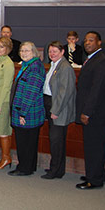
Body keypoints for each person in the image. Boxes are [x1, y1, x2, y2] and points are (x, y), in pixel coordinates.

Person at [75, 31, 105, 189]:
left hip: (95, 113)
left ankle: (94, 180)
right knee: (94, 145)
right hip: (94, 112)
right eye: (85, 41)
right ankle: (96, 174)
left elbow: (96, 91)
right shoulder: (92, 59)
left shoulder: (102, 61)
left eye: (91, 40)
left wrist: (87, 112)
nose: (87, 43)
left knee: (94, 146)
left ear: (99, 43)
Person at [9, 42, 45, 176]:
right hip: (26, 111)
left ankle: (24, 168)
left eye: (27, 51)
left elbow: (31, 93)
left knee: (25, 142)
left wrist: (22, 113)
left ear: (34, 52)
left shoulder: (34, 68)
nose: (24, 53)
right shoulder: (28, 65)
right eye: (22, 51)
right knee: (29, 141)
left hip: (28, 113)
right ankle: (29, 166)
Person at [41, 41, 76, 180]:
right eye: (50, 51)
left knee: (56, 140)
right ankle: (57, 168)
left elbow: (65, 92)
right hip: (51, 103)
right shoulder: (54, 65)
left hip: (58, 108)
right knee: (56, 139)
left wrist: (55, 110)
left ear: (62, 52)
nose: (52, 54)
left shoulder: (65, 67)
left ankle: (55, 170)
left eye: (55, 51)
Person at [0, 37, 15, 170]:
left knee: (4, 130)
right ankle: (6, 157)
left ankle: (6, 158)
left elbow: (6, 86)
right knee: (1, 130)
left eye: (1, 47)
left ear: (8, 48)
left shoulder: (9, 63)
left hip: (4, 100)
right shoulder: (0, 61)